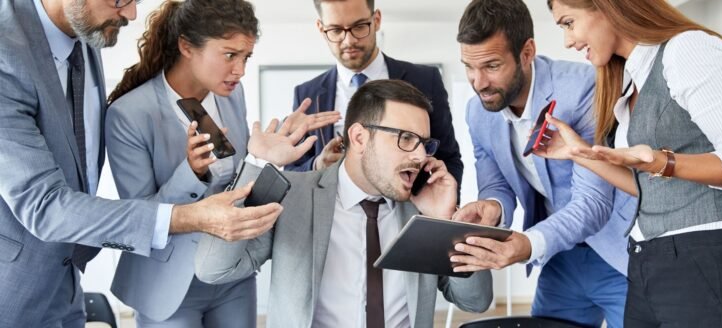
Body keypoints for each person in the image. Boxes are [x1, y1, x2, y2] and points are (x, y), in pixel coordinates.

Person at [0, 0, 284, 326]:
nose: (132, 13)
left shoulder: (83, 43)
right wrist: (191, 197)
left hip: (70, 283)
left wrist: (263, 157)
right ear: (187, 47)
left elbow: (228, 177)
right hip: (15, 286)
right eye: (120, 0)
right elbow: (46, 206)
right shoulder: (9, 52)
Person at [538, 0, 722, 326]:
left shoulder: (687, 49)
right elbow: (647, 185)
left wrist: (661, 162)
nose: (568, 41)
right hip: (646, 264)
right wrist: (579, 153)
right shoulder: (630, 81)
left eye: (568, 22)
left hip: (704, 262)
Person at [195, 80, 493, 328]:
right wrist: (258, 162)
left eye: (423, 143)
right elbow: (214, 269)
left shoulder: (423, 206)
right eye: (405, 138)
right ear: (360, 138)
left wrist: (447, 222)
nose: (419, 155)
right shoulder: (294, 196)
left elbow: (475, 301)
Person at [448, 0, 636, 326]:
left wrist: (527, 245)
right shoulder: (477, 112)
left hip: (618, 252)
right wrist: (493, 206)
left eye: (492, 66)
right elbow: (498, 183)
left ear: (527, 52)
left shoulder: (583, 90)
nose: (478, 82)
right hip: (559, 257)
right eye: (468, 66)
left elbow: (593, 202)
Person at [285, 0, 463, 194]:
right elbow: (292, 174)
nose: (349, 41)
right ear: (321, 28)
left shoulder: (425, 80)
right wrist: (318, 165)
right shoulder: (307, 95)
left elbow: (449, 158)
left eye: (359, 27)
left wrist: (439, 214)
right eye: (336, 30)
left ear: (376, 20)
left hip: (408, 211)